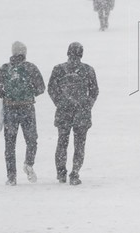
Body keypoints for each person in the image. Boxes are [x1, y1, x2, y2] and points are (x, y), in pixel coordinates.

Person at [0, 41, 46, 186]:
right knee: (31, 139)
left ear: (12, 53)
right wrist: (29, 94)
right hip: (27, 109)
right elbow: (41, 88)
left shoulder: (5, 68)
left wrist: (6, 95)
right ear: (25, 53)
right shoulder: (30, 67)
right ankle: (28, 163)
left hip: (10, 110)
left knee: (10, 144)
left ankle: (11, 177)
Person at [47, 42, 99, 185]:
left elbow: (51, 89)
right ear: (81, 54)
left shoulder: (58, 69)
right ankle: (75, 173)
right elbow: (94, 91)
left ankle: (61, 172)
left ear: (68, 52)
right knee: (79, 145)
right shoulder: (88, 70)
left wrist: (60, 102)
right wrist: (87, 105)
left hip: (64, 112)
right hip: (81, 113)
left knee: (62, 142)